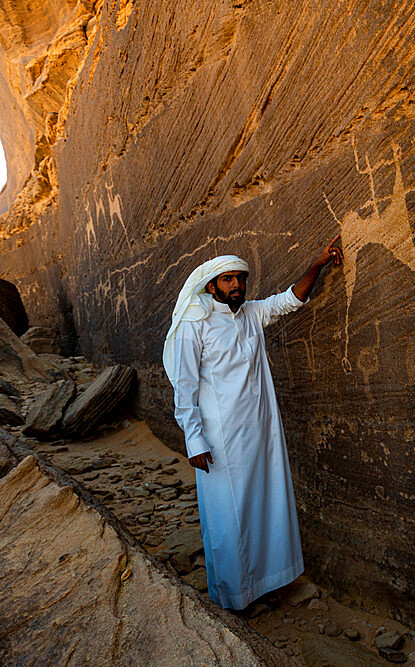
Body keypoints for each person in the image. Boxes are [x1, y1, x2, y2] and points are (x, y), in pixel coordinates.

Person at [162, 237, 343, 610]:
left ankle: (263, 582)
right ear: (211, 285)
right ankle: (233, 596)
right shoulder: (195, 325)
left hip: (261, 432)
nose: (237, 286)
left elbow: (289, 300)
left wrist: (318, 264)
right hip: (220, 439)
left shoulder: (249, 313)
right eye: (228, 280)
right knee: (229, 514)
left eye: (241, 279)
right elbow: (184, 388)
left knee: (265, 504)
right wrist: (194, 440)